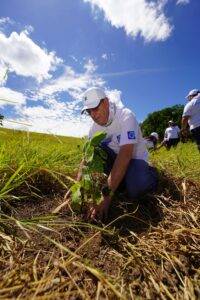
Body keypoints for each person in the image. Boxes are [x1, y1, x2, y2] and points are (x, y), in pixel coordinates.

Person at [81, 87, 158, 220]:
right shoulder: (94, 128)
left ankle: (152, 173)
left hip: (134, 159)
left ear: (105, 102)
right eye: (89, 111)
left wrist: (106, 196)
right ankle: (120, 180)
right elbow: (86, 157)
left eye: (95, 108)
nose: (92, 115)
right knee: (94, 148)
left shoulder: (126, 116)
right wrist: (79, 185)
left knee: (136, 189)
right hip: (116, 161)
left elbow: (125, 155)